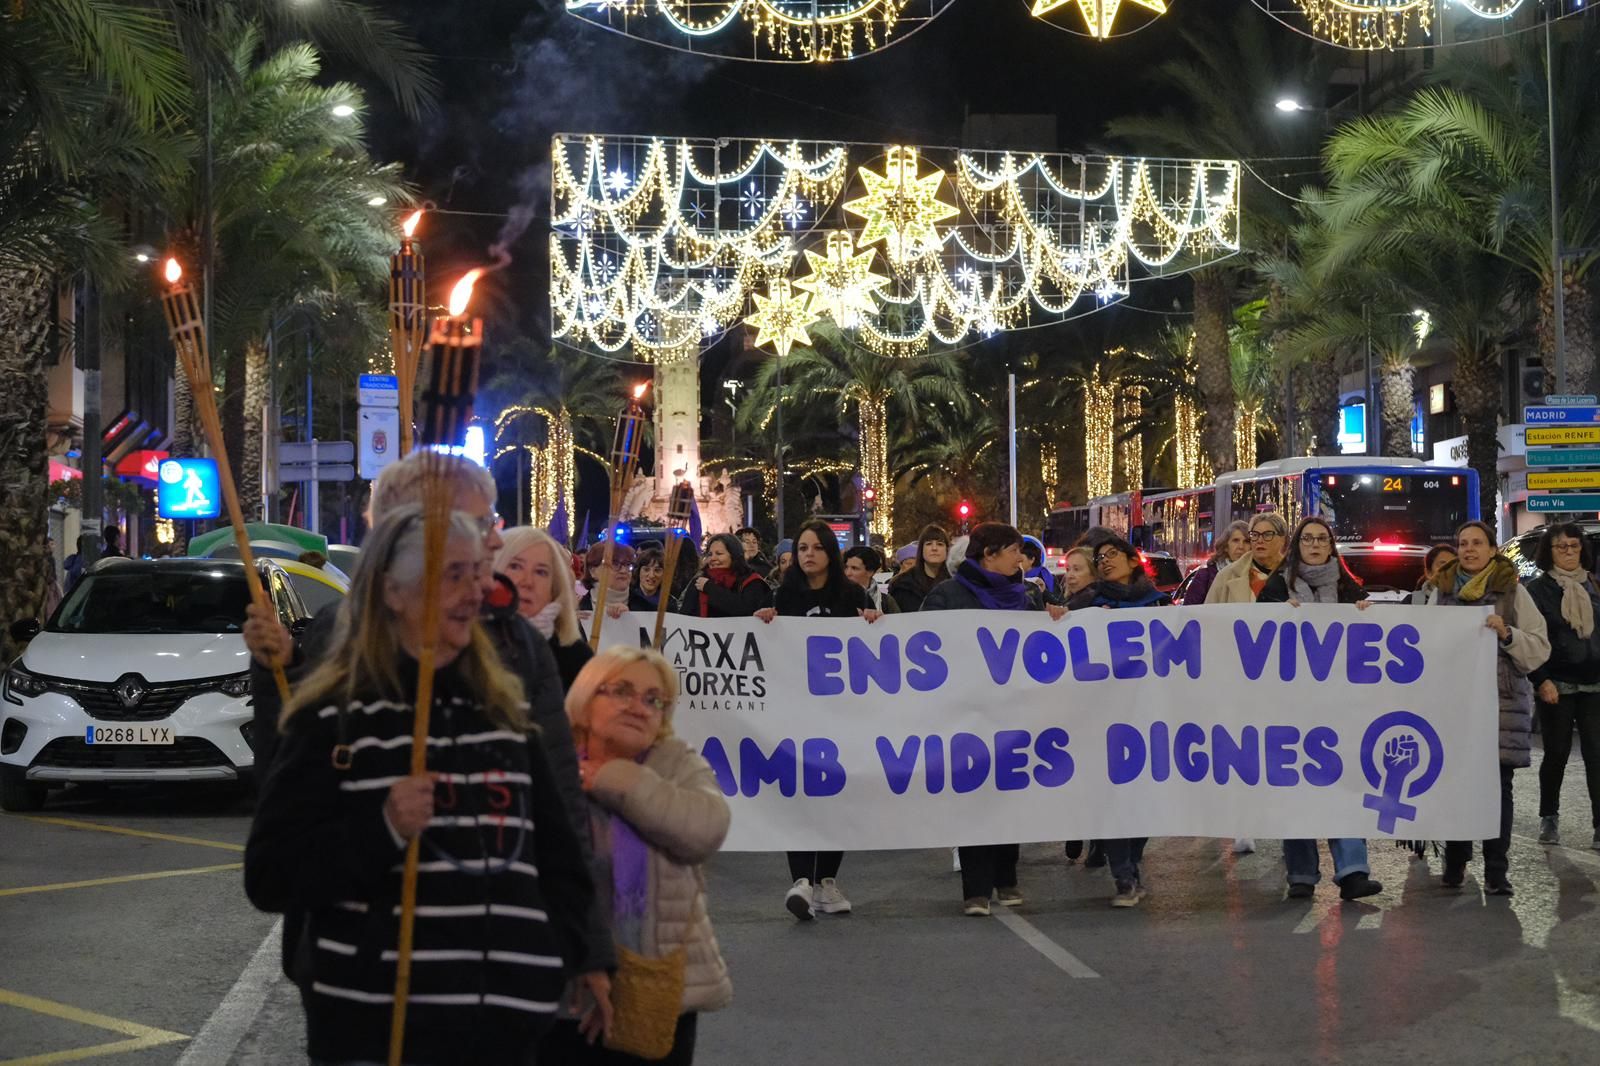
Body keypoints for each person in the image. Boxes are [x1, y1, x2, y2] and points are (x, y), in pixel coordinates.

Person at [242, 451, 609, 1002]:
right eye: (477, 525)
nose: (493, 542)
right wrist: (277, 677)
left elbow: (558, 811)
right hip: (369, 993)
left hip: (499, 993)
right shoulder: (337, 643)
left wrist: (587, 950)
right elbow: (284, 831)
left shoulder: (519, 647)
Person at [540, 647, 732, 1065]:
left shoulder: (677, 760)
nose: (638, 707)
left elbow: (705, 829)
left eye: (653, 699)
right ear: (587, 695)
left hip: (657, 989)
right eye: (622, 690)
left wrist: (618, 781)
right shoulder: (548, 764)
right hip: (564, 988)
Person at [921, 522, 1068, 916]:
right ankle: (976, 889)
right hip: (966, 713)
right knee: (974, 796)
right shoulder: (948, 596)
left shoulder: (1029, 596)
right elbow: (918, 644)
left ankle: (1006, 878)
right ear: (989, 554)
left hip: (1014, 711)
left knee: (1010, 795)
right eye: (1014, 551)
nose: (1020, 559)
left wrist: (1056, 616)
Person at [757, 520, 884, 920]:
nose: (807, 554)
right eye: (802, 548)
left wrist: (874, 624)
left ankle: (827, 881)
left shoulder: (852, 596)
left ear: (830, 552)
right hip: (795, 712)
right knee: (799, 792)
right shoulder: (785, 596)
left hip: (840, 713)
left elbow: (872, 647)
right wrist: (762, 623)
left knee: (835, 793)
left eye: (816, 547)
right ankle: (801, 881)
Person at [1420, 520, 1550, 895]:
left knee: (1498, 787)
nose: (1469, 550)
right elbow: (1422, 643)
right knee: (1457, 785)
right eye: (1462, 543)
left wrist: (1508, 634)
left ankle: (1496, 869)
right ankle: (1457, 861)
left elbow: (1539, 646)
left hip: (1501, 704)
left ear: (1492, 550)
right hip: (1455, 705)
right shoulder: (1441, 591)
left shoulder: (1512, 592)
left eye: (1477, 543)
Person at [1257, 516, 1383, 901]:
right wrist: (1278, 615)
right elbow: (1255, 642)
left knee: (1344, 784)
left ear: (1331, 546)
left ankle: (1352, 871)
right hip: (1291, 708)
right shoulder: (1276, 588)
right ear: (1296, 546)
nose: (1314, 544)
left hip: (1339, 708)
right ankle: (1301, 874)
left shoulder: (1349, 589)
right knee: (1296, 787)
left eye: (1322, 539)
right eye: (1307, 539)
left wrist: (1365, 613)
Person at [1077, 535, 1169, 905]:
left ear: (1133, 561)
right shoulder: (1087, 604)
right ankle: (1124, 877)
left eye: (1112, 555)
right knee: (1116, 796)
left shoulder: (1160, 604)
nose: (1104, 561)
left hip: (1150, 713)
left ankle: (1132, 859)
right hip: (1105, 715)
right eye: (1099, 558)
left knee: (1144, 798)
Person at [1524, 524, 1600, 850]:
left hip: (1594, 683)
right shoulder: (1536, 590)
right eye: (1561, 547)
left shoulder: (1594, 585)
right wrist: (1540, 679)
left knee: (1597, 755)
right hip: (1556, 683)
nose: (1569, 552)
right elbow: (1531, 639)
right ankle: (1549, 815)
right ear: (1548, 552)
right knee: (1556, 753)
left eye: (1574, 546)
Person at [496, 526, 593, 690]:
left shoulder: (576, 658)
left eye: (540, 572)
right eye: (515, 566)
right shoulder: (464, 645)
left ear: (554, 588)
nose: (527, 581)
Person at [681, 533, 772, 617]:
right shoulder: (698, 582)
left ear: (734, 555)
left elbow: (745, 610)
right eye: (710, 554)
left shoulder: (752, 582)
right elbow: (684, 617)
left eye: (719, 554)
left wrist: (710, 588)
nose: (713, 558)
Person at [1205, 512, 1287, 605]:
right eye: (1255, 535)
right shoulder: (1226, 575)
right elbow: (1208, 616)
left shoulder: (1296, 575)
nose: (1260, 540)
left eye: (1267, 535)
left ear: (1282, 540)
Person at [1182, 520, 1250, 605]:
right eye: (1235, 540)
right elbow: (1189, 611)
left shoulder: (1258, 575)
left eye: (1247, 541)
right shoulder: (1205, 576)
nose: (1241, 546)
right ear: (1226, 546)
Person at [888, 524, 951, 612]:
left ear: (947, 550)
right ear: (921, 549)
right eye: (929, 544)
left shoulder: (956, 583)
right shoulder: (902, 584)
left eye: (940, 544)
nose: (934, 548)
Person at [580, 543, 638, 616]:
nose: (623, 570)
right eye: (615, 564)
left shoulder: (647, 607)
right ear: (593, 571)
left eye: (628, 564)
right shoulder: (576, 608)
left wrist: (629, 619)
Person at [843, 546, 900, 613]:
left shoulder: (886, 602)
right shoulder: (834, 598)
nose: (847, 573)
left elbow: (898, 622)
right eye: (846, 567)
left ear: (870, 572)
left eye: (854, 568)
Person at [630, 546, 670, 614]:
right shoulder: (627, 598)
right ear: (638, 571)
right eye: (646, 569)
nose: (651, 575)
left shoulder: (670, 603)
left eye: (657, 570)